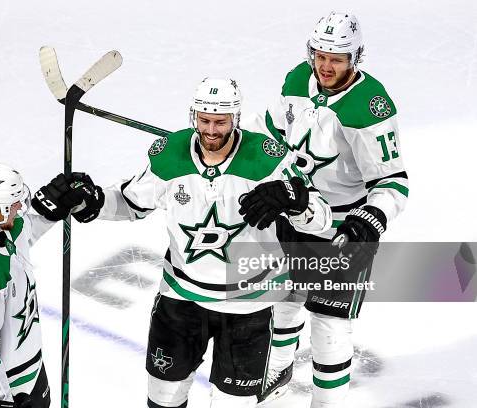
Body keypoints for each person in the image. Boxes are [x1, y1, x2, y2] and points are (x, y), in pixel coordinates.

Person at [61, 77, 332, 407]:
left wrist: (295, 199)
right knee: (163, 399)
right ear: (193, 117)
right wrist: (91, 202)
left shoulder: (268, 159)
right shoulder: (169, 156)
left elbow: (321, 219)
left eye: (220, 122)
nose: (212, 130)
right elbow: (131, 203)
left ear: (235, 118)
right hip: (180, 300)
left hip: (249, 304)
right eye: (204, 121)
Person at [244, 11, 409, 408]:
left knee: (330, 326)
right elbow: (271, 131)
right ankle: (279, 368)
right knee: (282, 298)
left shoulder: (370, 108)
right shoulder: (296, 78)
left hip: (339, 227)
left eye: (336, 58)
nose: (325, 65)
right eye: (320, 55)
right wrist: (236, 144)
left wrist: (372, 216)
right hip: (293, 211)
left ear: (355, 58)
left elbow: (394, 181)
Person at [0, 162, 103, 407]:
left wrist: (54, 207)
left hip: (27, 366)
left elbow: (25, 232)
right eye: (13, 204)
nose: (20, 207)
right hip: (3, 385)